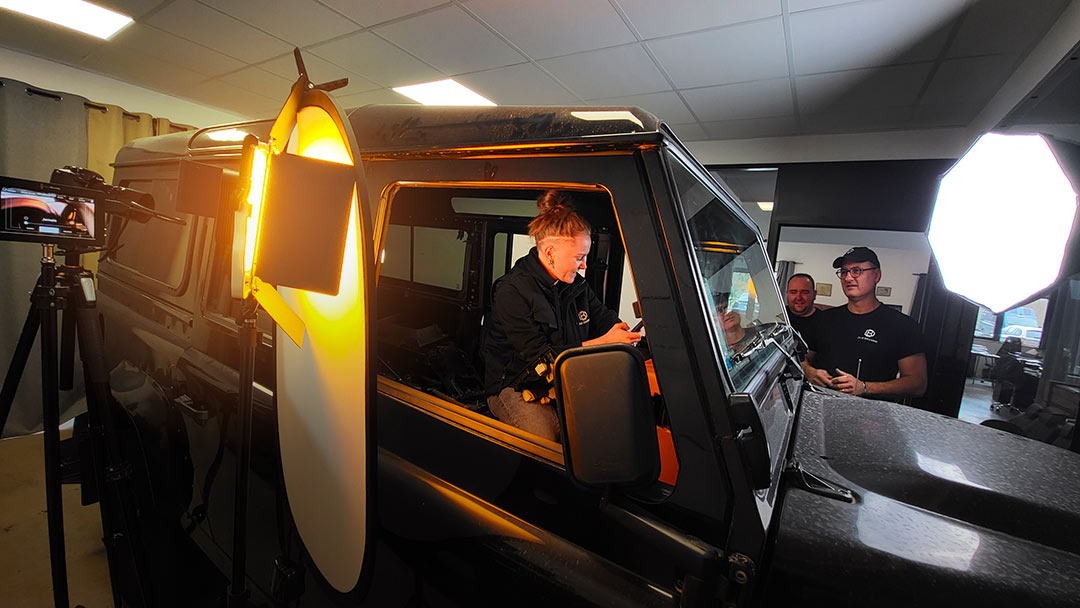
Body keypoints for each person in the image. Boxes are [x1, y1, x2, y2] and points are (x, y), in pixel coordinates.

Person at [481, 191, 640, 441]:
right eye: (579, 258)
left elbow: (604, 319)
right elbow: (540, 359)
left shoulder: (577, 286)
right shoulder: (511, 291)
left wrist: (625, 333)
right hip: (515, 384)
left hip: (564, 379)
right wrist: (603, 342)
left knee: (609, 428)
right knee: (545, 442)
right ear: (550, 253)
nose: (584, 265)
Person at [802, 247, 927, 399]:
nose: (848, 278)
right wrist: (809, 372)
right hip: (819, 405)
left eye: (857, 271)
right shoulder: (823, 319)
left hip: (870, 411)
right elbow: (802, 359)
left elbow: (917, 383)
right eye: (844, 272)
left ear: (877, 275)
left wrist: (865, 387)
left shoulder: (903, 326)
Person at [785, 273, 817, 340]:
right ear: (787, 294)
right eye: (793, 292)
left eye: (804, 292)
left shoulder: (826, 323)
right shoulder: (778, 315)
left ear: (814, 295)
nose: (798, 297)